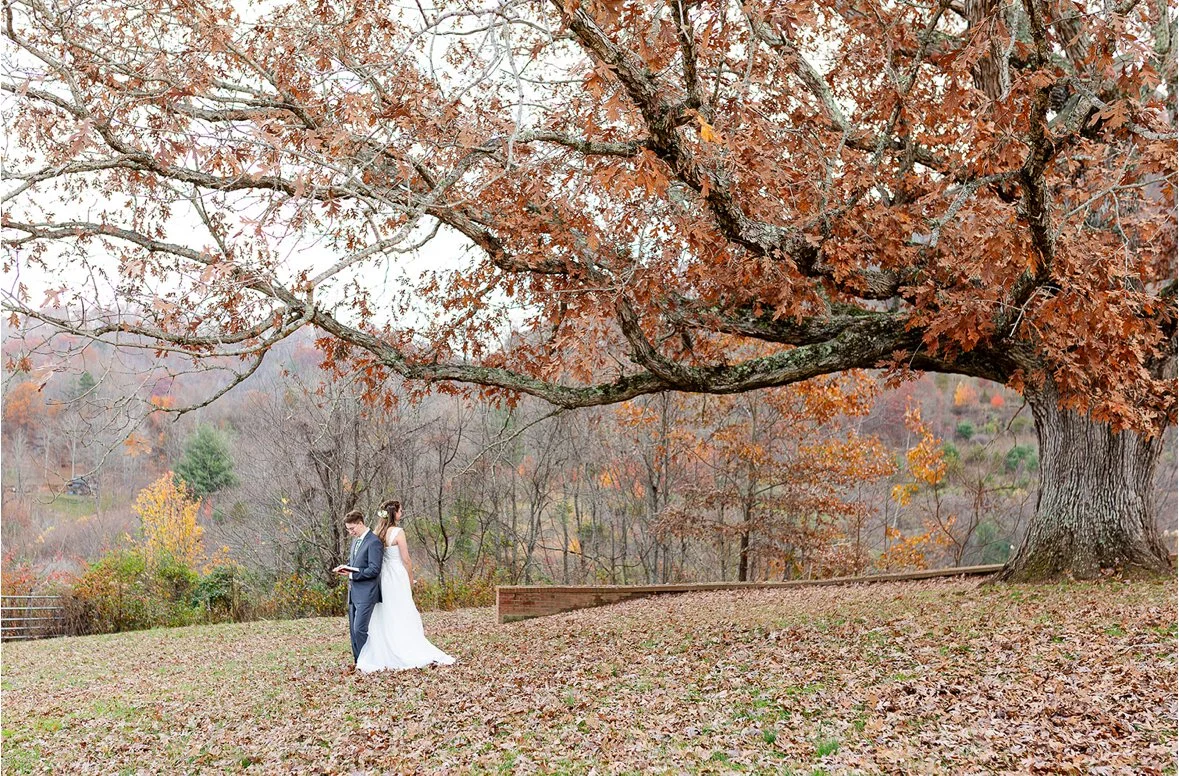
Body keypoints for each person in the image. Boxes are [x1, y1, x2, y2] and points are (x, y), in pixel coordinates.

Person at [356, 500, 456, 672]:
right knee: (402, 610)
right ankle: (406, 647)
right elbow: (406, 560)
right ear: (394, 513)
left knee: (385, 612)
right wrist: (410, 580)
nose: (402, 514)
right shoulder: (398, 532)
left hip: (382, 577)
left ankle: (386, 649)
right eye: (400, 511)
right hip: (396, 576)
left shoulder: (377, 532)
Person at [334, 510, 383, 669]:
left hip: (367, 593)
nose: (350, 532)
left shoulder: (374, 542)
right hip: (353, 592)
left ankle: (368, 662)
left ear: (361, 523)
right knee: (353, 631)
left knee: (360, 629)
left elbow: (374, 569)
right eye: (348, 529)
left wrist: (354, 575)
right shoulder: (355, 541)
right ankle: (359, 662)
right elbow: (355, 563)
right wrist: (346, 569)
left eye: (352, 528)